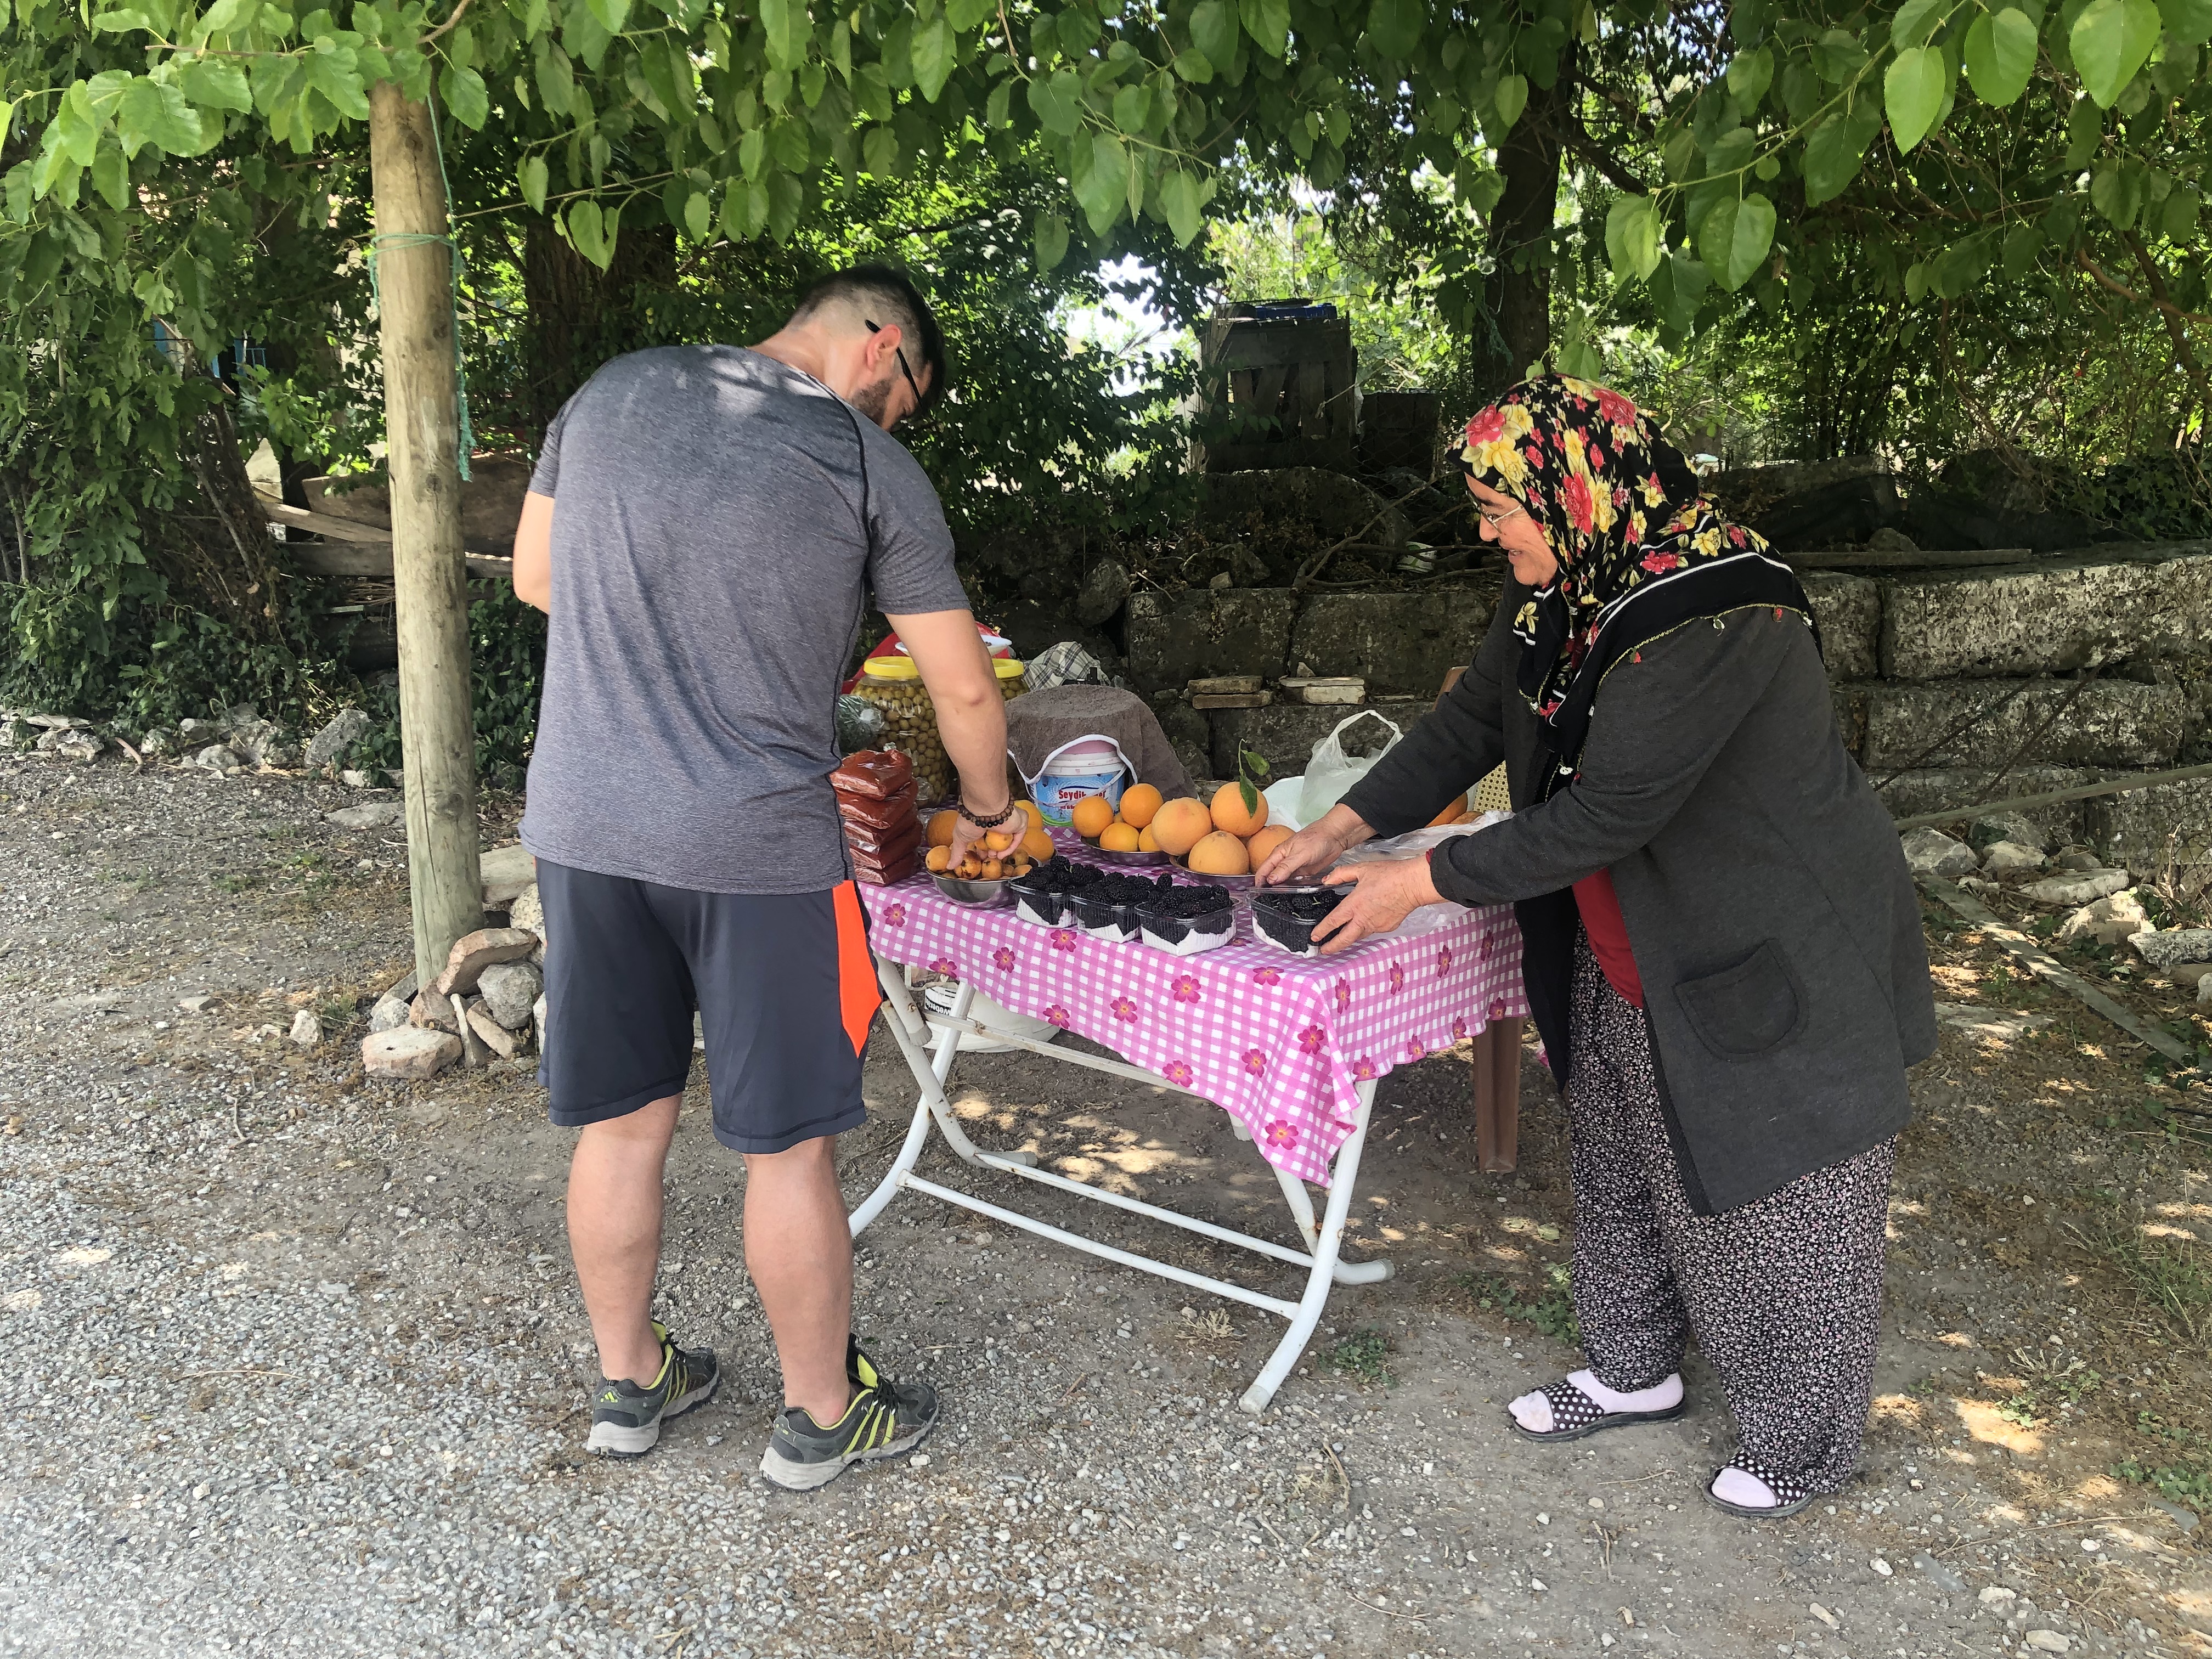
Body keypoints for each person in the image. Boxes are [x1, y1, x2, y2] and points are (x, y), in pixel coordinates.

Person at [1257, 376, 1936, 1519]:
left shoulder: (1715, 608)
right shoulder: (1566, 584)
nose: (1487, 534)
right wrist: (1342, 826)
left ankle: (1801, 1443)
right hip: (1629, 934)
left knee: (1779, 1187)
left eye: (1496, 510)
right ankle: (1634, 1369)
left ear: (1571, 491)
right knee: (1621, 1152)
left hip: (1763, 930)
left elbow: (1611, 811)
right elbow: (1472, 720)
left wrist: (1421, 879)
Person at [511, 266, 1018, 1491]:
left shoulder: (611, 394)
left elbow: (536, 577)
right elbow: (961, 686)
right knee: (788, 1147)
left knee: (621, 1124)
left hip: (585, 825)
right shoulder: (863, 462)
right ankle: (821, 1415)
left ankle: (631, 1386)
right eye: (907, 401)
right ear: (880, 346)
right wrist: (990, 812)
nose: (898, 424)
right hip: (756, 848)